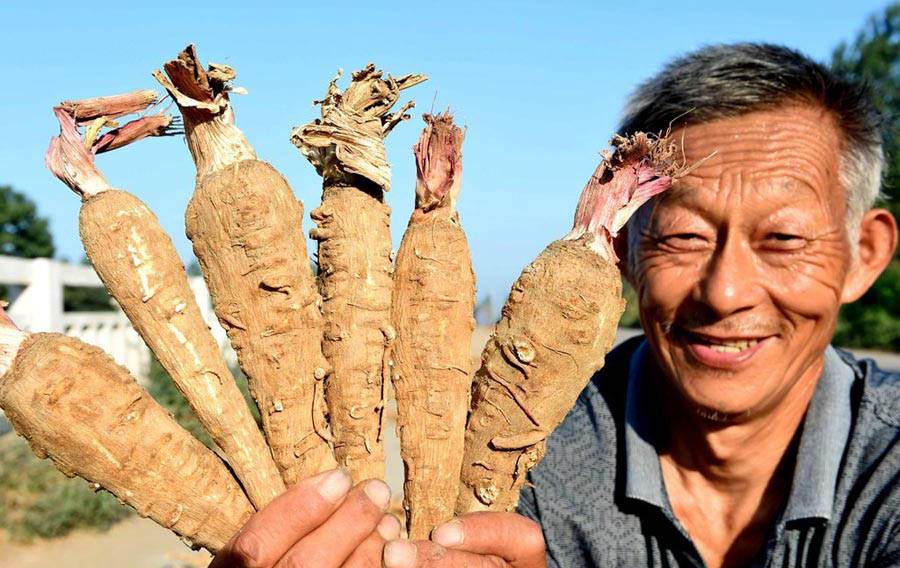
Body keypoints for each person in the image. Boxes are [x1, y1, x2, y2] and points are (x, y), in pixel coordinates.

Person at [208, 43, 900, 568]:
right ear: (628, 248)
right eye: (685, 236)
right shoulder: (531, 454)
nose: (725, 293)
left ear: (865, 254)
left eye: (782, 239)